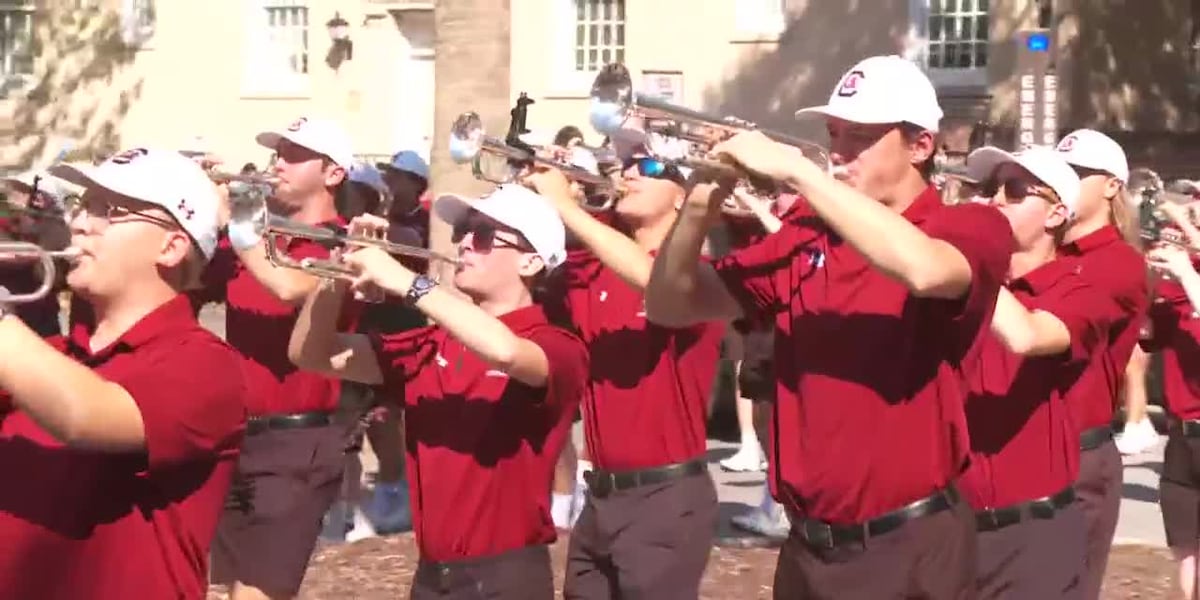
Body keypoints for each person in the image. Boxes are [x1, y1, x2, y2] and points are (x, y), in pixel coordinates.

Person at [644, 55, 1014, 598]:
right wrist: (699, 204)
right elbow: (671, 306)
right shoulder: (806, 230)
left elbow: (924, 269)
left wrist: (801, 173)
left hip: (907, 543)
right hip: (807, 547)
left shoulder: (969, 225)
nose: (839, 152)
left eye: (859, 137)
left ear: (921, 147)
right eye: (834, 133)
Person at [288, 184, 589, 599]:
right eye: (464, 230)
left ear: (530, 261)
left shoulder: (556, 344)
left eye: (483, 235)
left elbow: (504, 350)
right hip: (432, 574)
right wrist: (336, 274)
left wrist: (407, 281)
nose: (465, 243)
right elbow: (312, 354)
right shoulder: (432, 343)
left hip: (504, 576)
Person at [0, 148, 247, 599]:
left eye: (108, 211)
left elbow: (84, 417)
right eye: (82, 205)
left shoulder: (206, 364)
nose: (79, 223)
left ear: (171, 247)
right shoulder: (51, 354)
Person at [522, 130, 725, 599]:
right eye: (627, 164)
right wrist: (536, 188)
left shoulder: (698, 270)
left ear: (684, 197)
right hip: (601, 495)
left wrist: (567, 206)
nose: (630, 173)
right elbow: (520, 265)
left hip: (667, 497)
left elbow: (658, 281)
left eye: (650, 167)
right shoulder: (591, 265)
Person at [200, 116, 361, 600]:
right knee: (214, 590)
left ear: (333, 174)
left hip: (298, 441)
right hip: (234, 434)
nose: (279, 163)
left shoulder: (343, 242)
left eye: (295, 155)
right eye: (279, 153)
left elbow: (288, 287)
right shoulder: (258, 238)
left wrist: (239, 227)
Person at [960, 145, 1102, 598]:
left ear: (1057, 213)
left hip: (1030, 533)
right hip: (950, 528)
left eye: (1015, 190)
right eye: (989, 189)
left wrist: (968, 259)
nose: (995, 200)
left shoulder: (1079, 285)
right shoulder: (961, 280)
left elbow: (1025, 336)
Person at [1054, 128, 1149, 599]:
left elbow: (1048, 331)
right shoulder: (1046, 250)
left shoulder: (1120, 264)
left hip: (1077, 456)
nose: (1063, 183)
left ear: (1112, 185)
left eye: (1078, 174)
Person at [1140, 241, 1200, 600]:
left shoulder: (1189, 277)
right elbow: (1145, 332)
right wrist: (1143, 281)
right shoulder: (1181, 286)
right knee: (1185, 552)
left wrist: (1186, 273)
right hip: (1181, 436)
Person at [0, 171, 73, 337]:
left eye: (19, 191)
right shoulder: (12, 221)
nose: (12, 197)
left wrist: (27, 257)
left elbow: (52, 274)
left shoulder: (54, 227)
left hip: (37, 323)